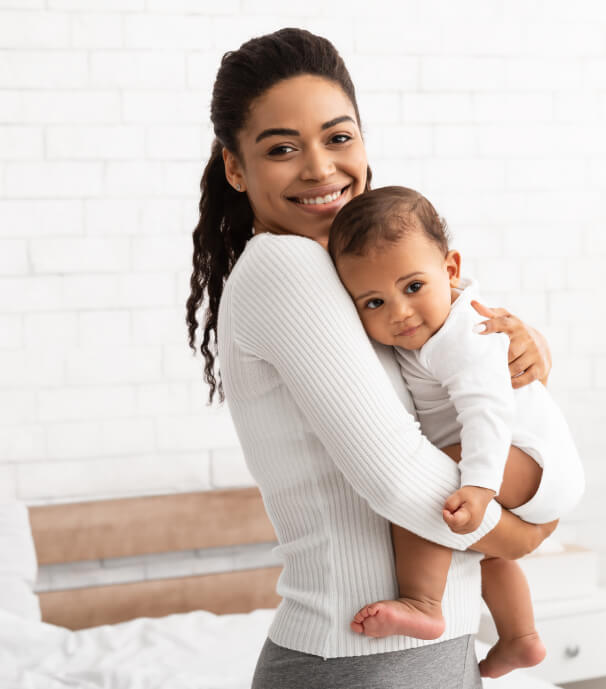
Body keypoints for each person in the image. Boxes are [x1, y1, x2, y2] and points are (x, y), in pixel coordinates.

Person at [186, 28, 558, 689]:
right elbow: (399, 479)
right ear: (235, 167)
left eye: (339, 137)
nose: (320, 168)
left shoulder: (358, 278)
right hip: (360, 658)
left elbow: (445, 386)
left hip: (414, 655)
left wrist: (513, 345)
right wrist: (526, 533)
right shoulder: (285, 264)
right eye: (281, 148)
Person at [327, 186, 585, 678]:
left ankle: (423, 601)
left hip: (528, 457)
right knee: (485, 555)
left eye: (413, 288)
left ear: (449, 270)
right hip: (528, 464)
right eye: (373, 302)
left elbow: (486, 410)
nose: (399, 313)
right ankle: (520, 637)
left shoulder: (463, 333)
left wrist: (480, 485)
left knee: (425, 485)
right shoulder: (434, 329)